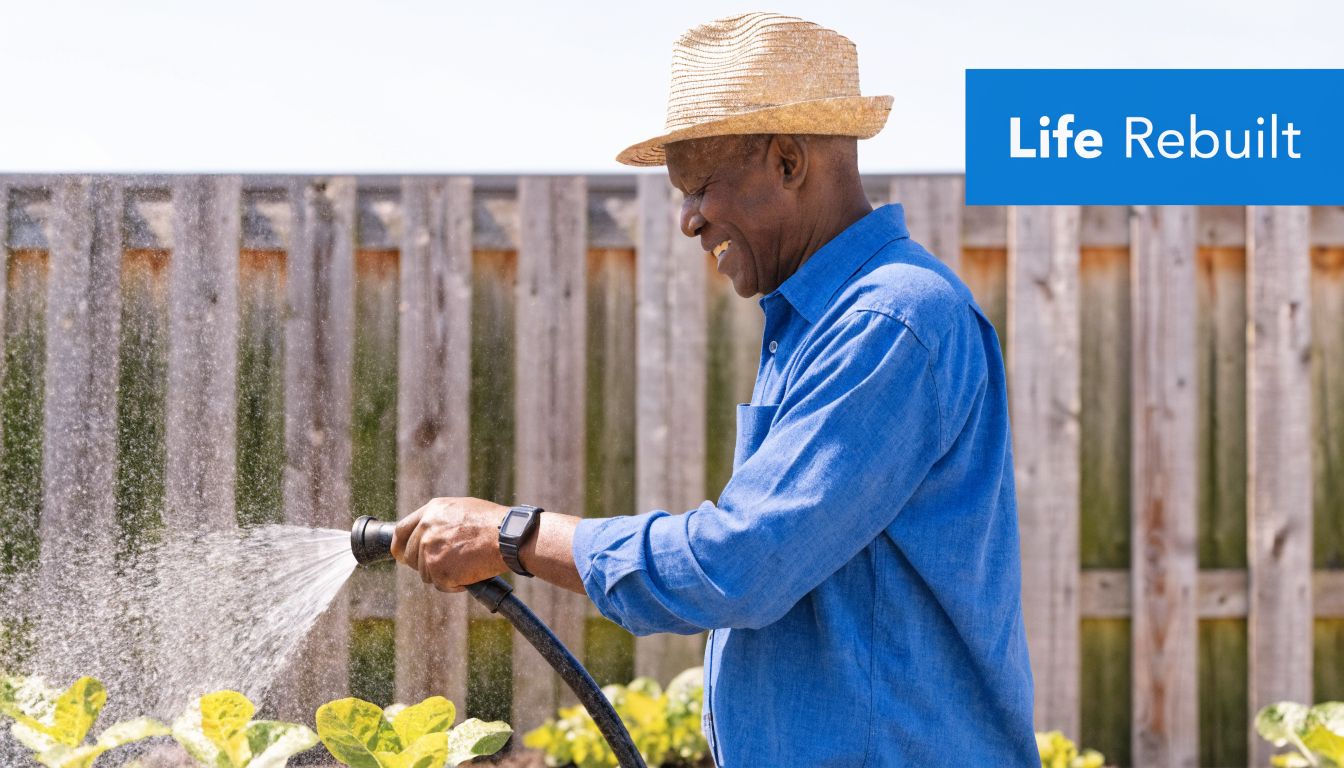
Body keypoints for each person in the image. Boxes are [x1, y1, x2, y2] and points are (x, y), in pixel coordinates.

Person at [392, 12, 1037, 767]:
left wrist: (514, 536)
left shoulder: (890, 321)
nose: (688, 218)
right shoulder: (821, 319)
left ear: (789, 162)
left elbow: (741, 566)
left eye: (700, 187)